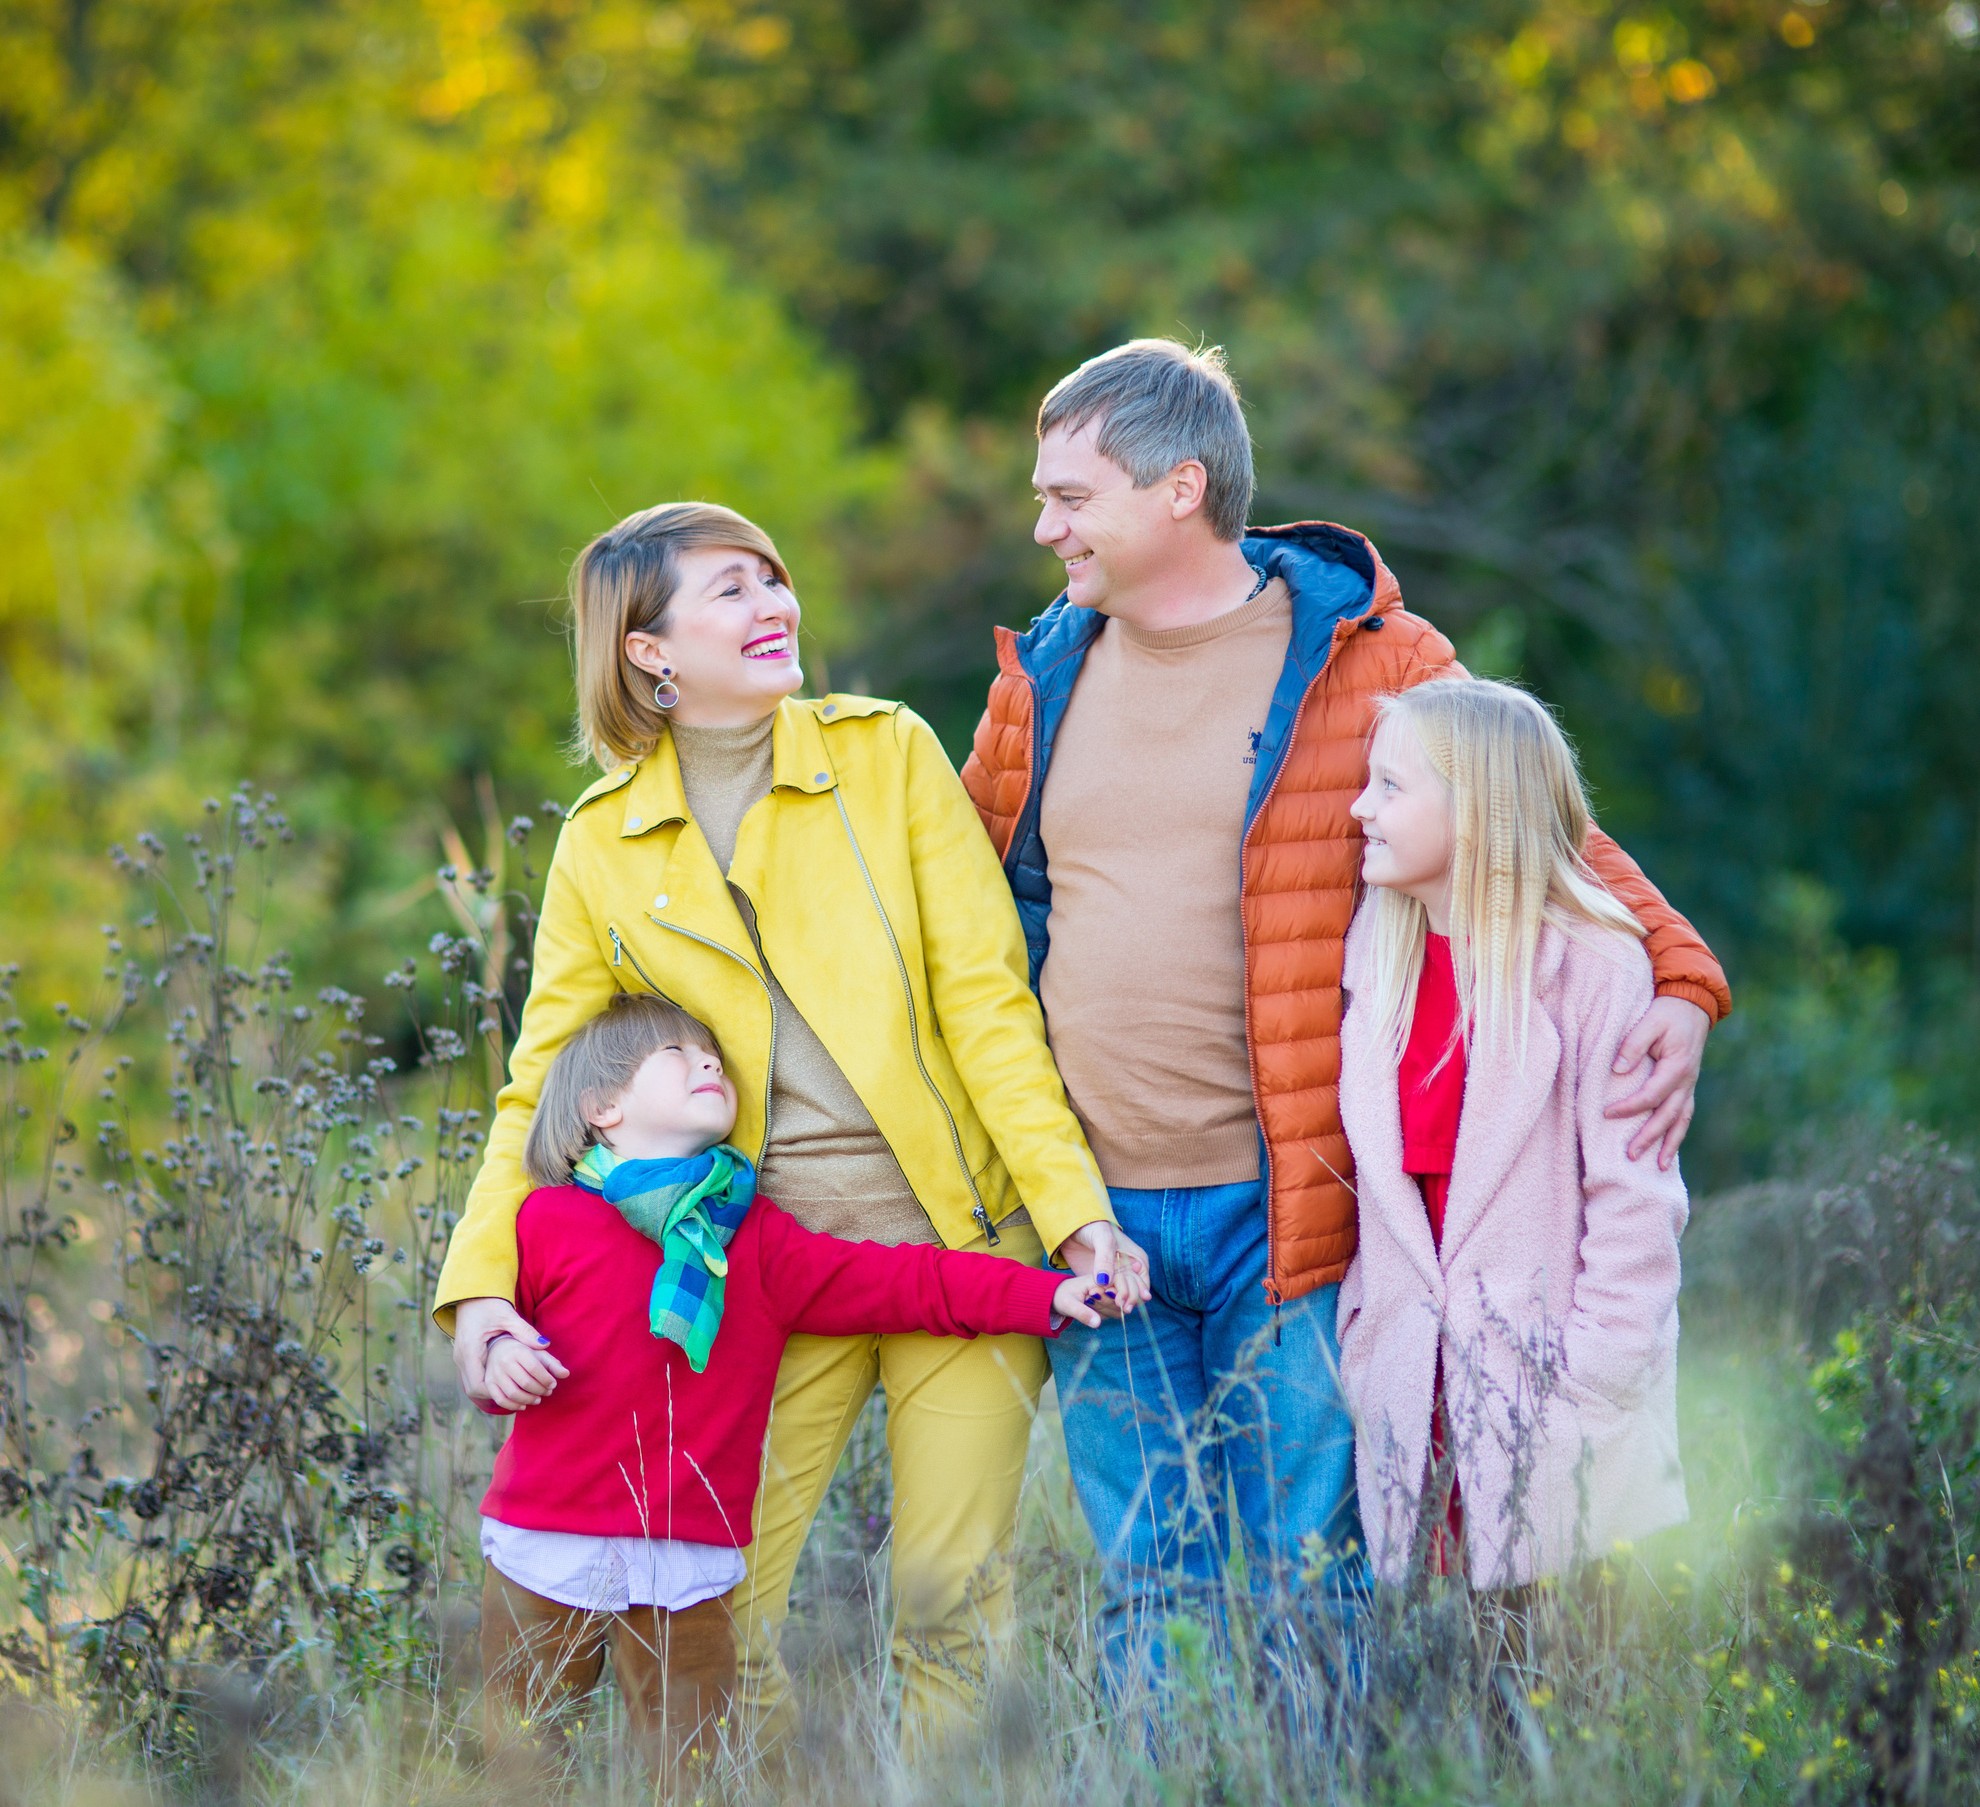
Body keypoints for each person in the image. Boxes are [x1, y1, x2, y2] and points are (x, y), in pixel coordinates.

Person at [957, 340, 1727, 1687]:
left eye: (1072, 497)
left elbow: (1527, 815)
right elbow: (957, 900)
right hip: (1090, 1211)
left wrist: (1679, 970)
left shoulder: (1370, 655)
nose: (1044, 527)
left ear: (1180, 486)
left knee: (1312, 1579)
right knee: (1148, 1577)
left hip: (1295, 1205)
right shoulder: (1044, 675)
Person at [437, 500, 1149, 1752]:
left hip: (962, 1243)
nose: (777, 604)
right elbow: (536, 1088)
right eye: (730, 590)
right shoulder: (600, 844)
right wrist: (482, 1291)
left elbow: (986, 1005)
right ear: (647, 650)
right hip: (747, 1276)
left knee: (952, 1615)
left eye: (774, 577)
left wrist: (1073, 1213)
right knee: (725, 1622)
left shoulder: (887, 755)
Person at [472, 992, 1108, 1778]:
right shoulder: (546, 1220)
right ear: (601, 1105)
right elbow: (497, 1334)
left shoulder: (758, 1239)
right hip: (545, 1543)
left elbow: (903, 1279)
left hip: (683, 1562)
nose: (709, 1060)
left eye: (713, 1052)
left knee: (694, 1770)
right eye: (675, 1053)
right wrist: (501, 1354)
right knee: (513, 1756)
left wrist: (1038, 1294)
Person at [1335, 678, 1688, 1596]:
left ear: (1476, 805)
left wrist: (1593, 1384)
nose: (1358, 807)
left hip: (1558, 1408)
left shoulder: (1595, 964)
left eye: (1388, 787)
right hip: (1420, 1399)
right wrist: (1366, 1331)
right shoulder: (1378, 948)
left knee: (1565, 1692)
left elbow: (1635, 1202)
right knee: (1451, 1698)